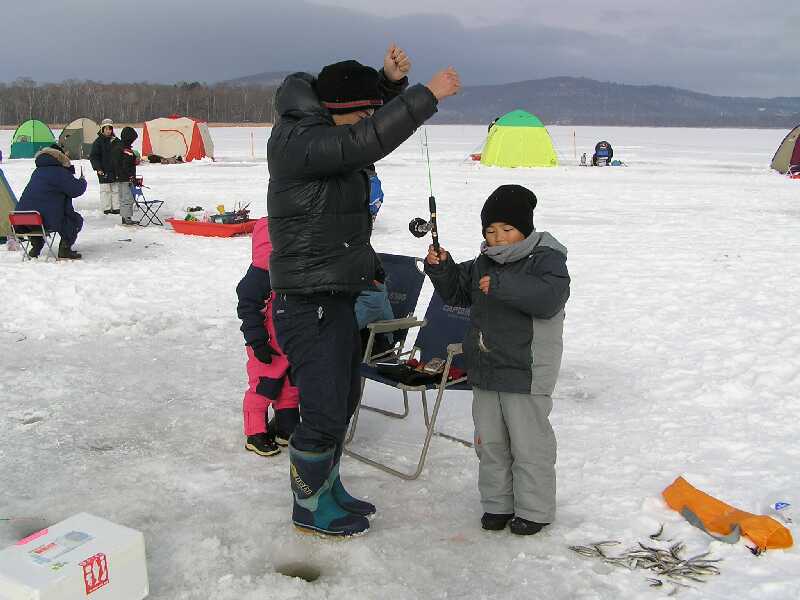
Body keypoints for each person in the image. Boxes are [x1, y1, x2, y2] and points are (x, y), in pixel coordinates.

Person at [267, 43, 460, 537]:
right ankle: (308, 505)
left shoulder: (323, 128)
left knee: (345, 395)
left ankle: (328, 487)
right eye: (361, 112)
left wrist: (387, 83)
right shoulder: (299, 141)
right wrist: (422, 97)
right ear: (334, 113)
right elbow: (362, 142)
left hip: (334, 293)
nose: (366, 120)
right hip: (307, 301)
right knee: (325, 407)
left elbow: (358, 122)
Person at [424, 184, 570, 536]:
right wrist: (443, 268)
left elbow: (550, 298)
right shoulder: (484, 261)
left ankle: (534, 510)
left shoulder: (546, 258)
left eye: (507, 229)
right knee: (489, 442)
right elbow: (458, 291)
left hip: (526, 369)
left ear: (525, 227)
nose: (498, 238)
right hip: (487, 366)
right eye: (490, 230)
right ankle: (497, 504)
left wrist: (502, 286)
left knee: (529, 444)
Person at [236, 218, 301, 457]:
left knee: (290, 387)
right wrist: (258, 341)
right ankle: (255, 433)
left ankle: (287, 428)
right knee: (264, 388)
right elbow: (248, 312)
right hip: (267, 345)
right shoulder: (259, 278)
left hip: (289, 343)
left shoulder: (290, 273)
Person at [16, 144, 87, 259]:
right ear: (60, 157)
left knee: (38, 222)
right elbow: (75, 190)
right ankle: (65, 250)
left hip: (22, 218)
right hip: (45, 219)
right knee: (75, 220)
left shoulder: (37, 172)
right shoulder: (59, 172)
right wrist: (82, 181)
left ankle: (36, 246)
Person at [89, 118, 120, 215]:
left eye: (109, 129)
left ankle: (116, 208)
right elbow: (94, 156)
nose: (108, 131)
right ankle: (106, 208)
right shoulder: (98, 142)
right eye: (106, 129)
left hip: (115, 170)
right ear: (102, 129)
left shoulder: (116, 141)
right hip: (103, 170)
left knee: (116, 190)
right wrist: (98, 168)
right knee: (105, 190)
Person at [112, 127, 139, 225]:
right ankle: (127, 218)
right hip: (126, 178)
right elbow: (126, 165)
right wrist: (131, 176)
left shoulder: (118, 147)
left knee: (123, 198)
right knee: (128, 198)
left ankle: (125, 217)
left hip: (119, 177)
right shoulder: (126, 150)